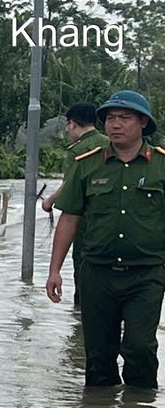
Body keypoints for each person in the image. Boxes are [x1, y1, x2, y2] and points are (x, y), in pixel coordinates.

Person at [46, 90, 165, 388]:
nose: (115, 125)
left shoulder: (161, 166)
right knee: (98, 356)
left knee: (140, 348)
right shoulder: (87, 164)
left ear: (143, 123)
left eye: (125, 118)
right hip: (97, 273)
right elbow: (69, 218)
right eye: (111, 118)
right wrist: (54, 270)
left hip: (147, 273)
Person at [41, 102, 109, 308]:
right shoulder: (109, 143)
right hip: (110, 217)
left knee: (82, 263)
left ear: (72, 124)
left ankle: (81, 316)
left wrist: (50, 200)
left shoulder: (78, 150)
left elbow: (71, 185)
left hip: (84, 217)